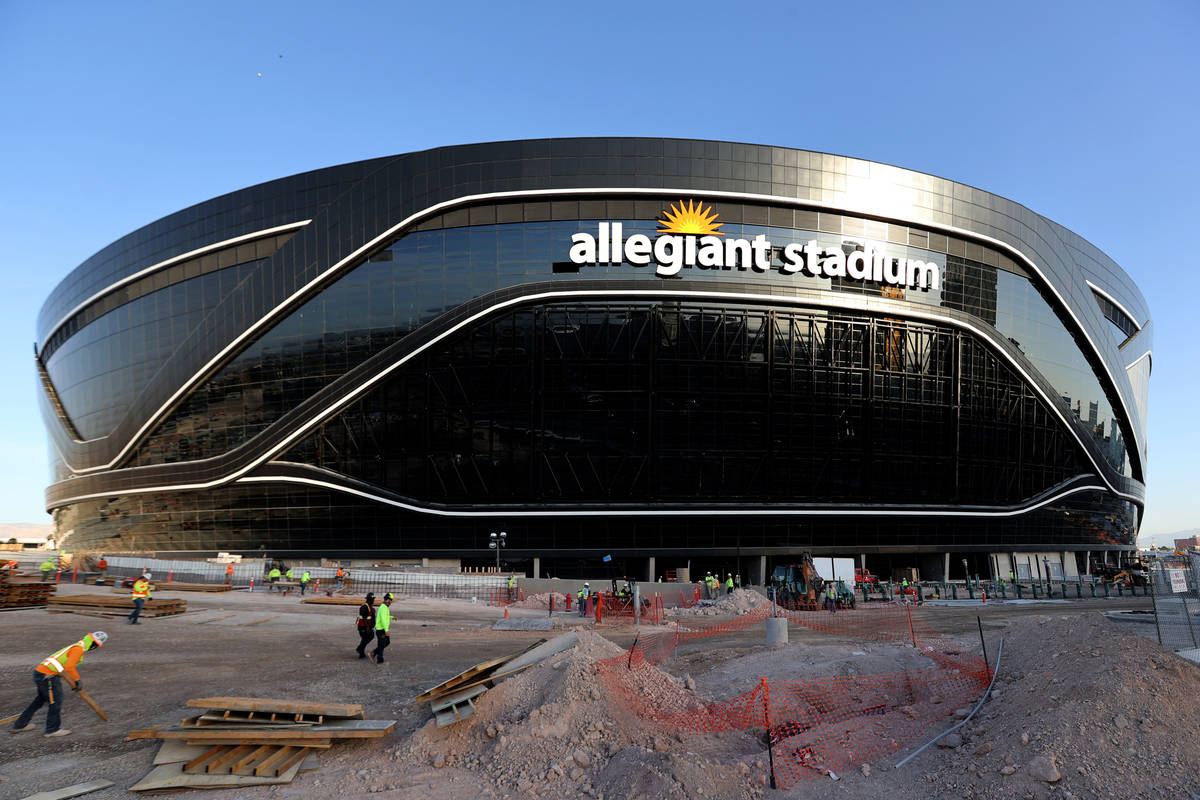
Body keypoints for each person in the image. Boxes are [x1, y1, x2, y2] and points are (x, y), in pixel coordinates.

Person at [11, 631, 108, 738]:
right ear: (94, 645)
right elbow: (69, 667)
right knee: (56, 701)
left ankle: (19, 725)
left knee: (39, 700)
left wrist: (72, 679)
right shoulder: (78, 649)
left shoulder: (76, 646)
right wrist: (77, 679)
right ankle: (52, 730)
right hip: (47, 676)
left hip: (41, 673)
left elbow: (62, 665)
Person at [371, 593, 394, 664]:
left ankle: (374, 653)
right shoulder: (384, 607)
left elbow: (385, 616)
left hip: (382, 629)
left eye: (391, 600)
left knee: (386, 642)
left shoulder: (384, 607)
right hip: (381, 629)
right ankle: (379, 661)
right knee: (381, 644)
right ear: (386, 599)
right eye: (389, 600)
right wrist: (386, 630)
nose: (390, 602)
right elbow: (383, 619)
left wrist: (392, 617)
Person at [355, 593, 376, 659]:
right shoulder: (364, 607)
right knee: (368, 637)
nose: (373, 600)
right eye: (372, 599)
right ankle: (360, 649)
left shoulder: (370, 607)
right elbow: (364, 617)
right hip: (363, 627)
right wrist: (367, 627)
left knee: (364, 639)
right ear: (368, 599)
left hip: (368, 627)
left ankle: (361, 653)